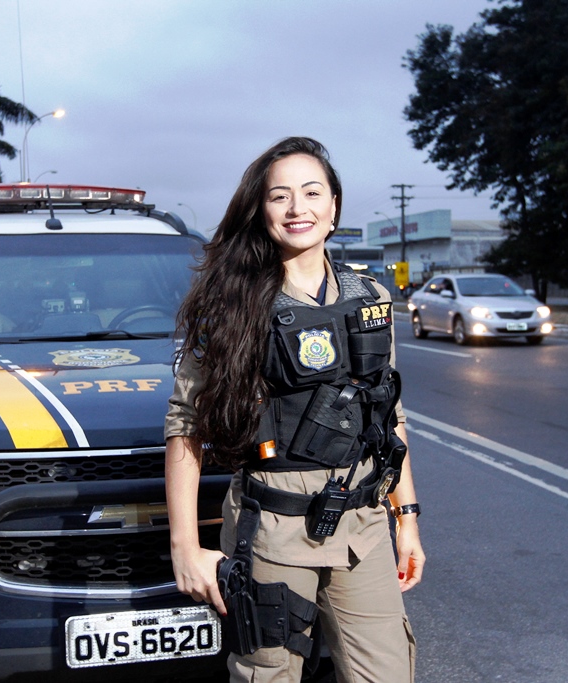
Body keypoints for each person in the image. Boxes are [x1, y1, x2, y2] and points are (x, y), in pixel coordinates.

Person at [165, 136, 424, 682]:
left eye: (312, 192)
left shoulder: (372, 298)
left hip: (364, 526)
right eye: (279, 196)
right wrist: (186, 547)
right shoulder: (231, 307)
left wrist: (408, 520)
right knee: (268, 676)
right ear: (261, 212)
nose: (296, 208)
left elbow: (388, 418)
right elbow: (185, 427)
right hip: (273, 530)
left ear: (334, 207)